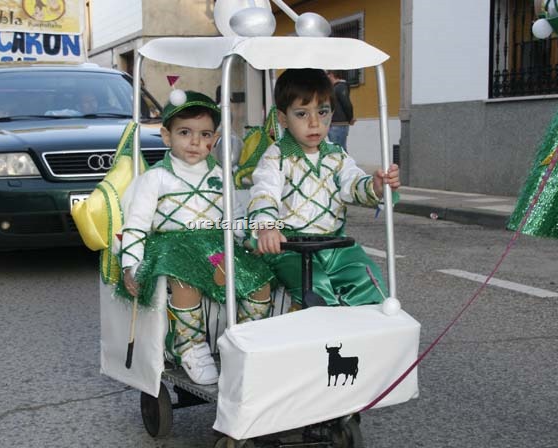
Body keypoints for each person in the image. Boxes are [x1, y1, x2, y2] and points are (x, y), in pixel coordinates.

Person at [118, 90, 274, 385]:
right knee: (185, 278)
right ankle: (190, 345)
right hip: (172, 244)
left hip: (215, 244)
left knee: (259, 280)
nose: (194, 142)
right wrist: (131, 263)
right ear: (166, 136)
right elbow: (137, 224)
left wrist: (248, 237)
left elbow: (235, 216)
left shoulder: (220, 174)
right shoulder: (156, 178)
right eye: (185, 132)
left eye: (204, 135)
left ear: (214, 140)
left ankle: (246, 341)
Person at [248, 68, 400, 308]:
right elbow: (264, 193)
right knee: (314, 287)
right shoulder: (276, 157)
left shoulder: (336, 156)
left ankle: (364, 335)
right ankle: (320, 337)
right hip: (289, 248)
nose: (314, 123)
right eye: (302, 114)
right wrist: (267, 227)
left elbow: (352, 182)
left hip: (335, 246)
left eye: (323, 112)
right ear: (283, 118)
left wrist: (376, 186)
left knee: (367, 277)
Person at [326, 70, 354, 150]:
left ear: (331, 74)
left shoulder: (340, 87)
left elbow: (347, 104)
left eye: (327, 75)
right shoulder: (335, 87)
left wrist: (350, 118)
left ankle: (347, 163)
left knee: (339, 150)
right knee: (338, 150)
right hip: (335, 124)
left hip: (338, 125)